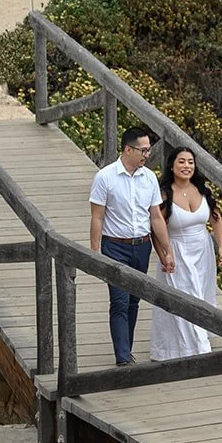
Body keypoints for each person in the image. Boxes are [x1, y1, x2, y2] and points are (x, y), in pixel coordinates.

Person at [89, 126, 174, 366]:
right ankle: (123, 358)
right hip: (115, 246)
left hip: (142, 246)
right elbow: (97, 216)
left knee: (134, 300)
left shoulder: (148, 178)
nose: (147, 154)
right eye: (144, 150)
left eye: (148, 150)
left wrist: (167, 250)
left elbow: (156, 216)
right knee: (119, 301)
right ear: (128, 149)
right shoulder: (105, 177)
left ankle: (127, 348)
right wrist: (94, 252)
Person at [150, 146, 222, 361]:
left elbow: (216, 218)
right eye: (181, 162)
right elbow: (156, 228)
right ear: (172, 166)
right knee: (186, 296)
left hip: (203, 250)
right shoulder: (165, 194)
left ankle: (198, 337)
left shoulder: (202, 189)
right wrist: (164, 254)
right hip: (177, 251)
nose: (186, 166)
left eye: (190, 162)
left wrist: (220, 245)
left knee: (202, 295)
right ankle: (199, 349)